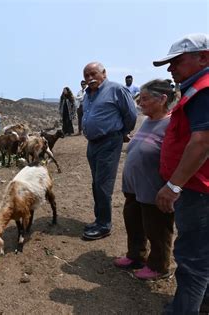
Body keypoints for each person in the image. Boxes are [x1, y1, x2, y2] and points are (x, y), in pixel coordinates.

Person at [153, 33, 209, 314]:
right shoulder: (195, 88)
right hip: (198, 187)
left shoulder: (204, 90)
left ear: (204, 57)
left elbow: (202, 141)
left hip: (197, 190)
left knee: (192, 257)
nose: (170, 68)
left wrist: (174, 186)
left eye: (177, 61)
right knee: (202, 252)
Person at [115, 79, 175, 281]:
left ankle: (159, 266)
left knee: (156, 228)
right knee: (133, 222)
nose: (140, 103)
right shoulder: (147, 120)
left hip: (153, 189)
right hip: (133, 188)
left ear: (162, 99)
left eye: (145, 99)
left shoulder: (172, 123)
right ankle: (136, 256)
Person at [81, 62, 137, 240]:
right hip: (93, 143)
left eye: (93, 74)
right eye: (86, 75)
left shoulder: (116, 90)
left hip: (109, 141)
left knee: (103, 184)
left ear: (104, 73)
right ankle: (99, 219)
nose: (90, 78)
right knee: (96, 182)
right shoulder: (88, 94)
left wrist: (121, 133)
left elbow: (131, 114)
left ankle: (104, 225)